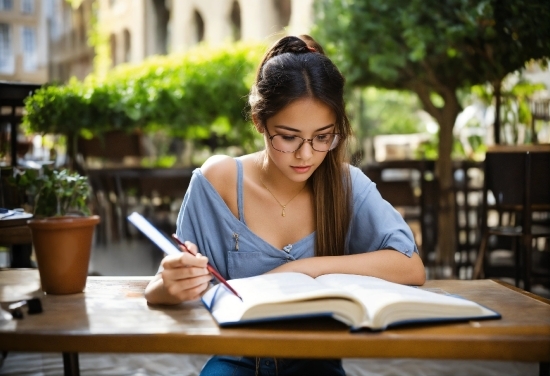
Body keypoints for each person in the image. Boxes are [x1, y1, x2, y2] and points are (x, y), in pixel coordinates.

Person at [145, 35, 426, 376]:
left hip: (317, 364)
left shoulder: (345, 184)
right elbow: (159, 288)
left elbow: (411, 266)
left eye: (323, 137)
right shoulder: (218, 180)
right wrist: (172, 284)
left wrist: (302, 269)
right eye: (289, 137)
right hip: (237, 359)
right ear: (259, 122)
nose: (306, 154)